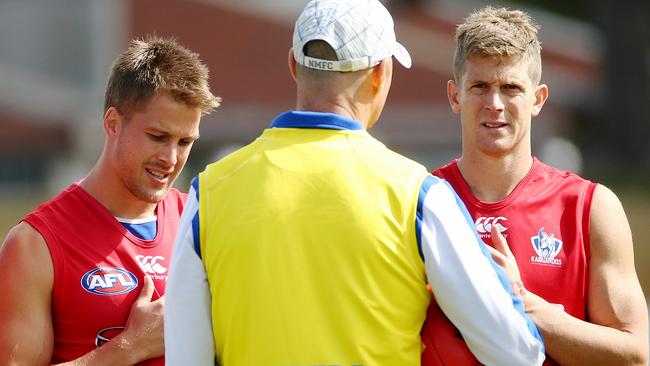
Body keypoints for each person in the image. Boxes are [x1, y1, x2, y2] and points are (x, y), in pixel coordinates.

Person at [164, 1, 545, 365]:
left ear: (294, 65)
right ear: (381, 72)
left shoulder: (210, 189)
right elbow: (516, 352)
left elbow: (186, 356)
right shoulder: (416, 193)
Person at [421, 6, 649, 366]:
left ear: (538, 99)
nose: (494, 104)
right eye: (479, 86)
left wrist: (521, 304)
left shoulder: (589, 207)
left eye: (510, 87)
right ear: (455, 96)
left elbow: (635, 356)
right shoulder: (419, 203)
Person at [0, 35, 220, 365]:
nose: (171, 157)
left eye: (185, 141)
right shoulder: (36, 244)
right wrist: (130, 346)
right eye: (157, 137)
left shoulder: (200, 222)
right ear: (113, 123)